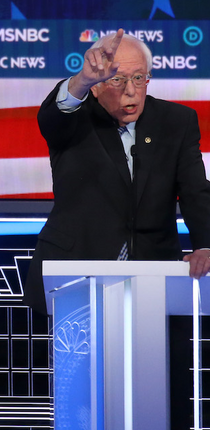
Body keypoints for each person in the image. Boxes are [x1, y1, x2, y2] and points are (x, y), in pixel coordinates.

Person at [24, 28, 210, 315]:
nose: (131, 90)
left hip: (156, 272)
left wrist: (206, 246)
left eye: (139, 78)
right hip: (76, 268)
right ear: (97, 85)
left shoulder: (176, 121)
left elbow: (196, 191)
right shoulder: (74, 119)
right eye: (118, 80)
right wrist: (81, 81)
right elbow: (52, 117)